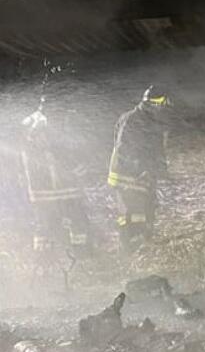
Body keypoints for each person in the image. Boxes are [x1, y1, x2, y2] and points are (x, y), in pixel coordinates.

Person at [19, 102, 91, 255]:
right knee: (73, 220)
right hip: (60, 189)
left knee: (46, 224)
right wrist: (78, 169)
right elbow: (60, 154)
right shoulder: (44, 127)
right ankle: (80, 254)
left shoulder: (33, 124)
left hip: (43, 190)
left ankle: (45, 258)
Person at [108, 85, 171, 251]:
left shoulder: (151, 121)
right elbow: (124, 149)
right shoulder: (132, 120)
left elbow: (155, 149)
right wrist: (139, 168)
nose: (163, 109)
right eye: (162, 105)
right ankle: (130, 250)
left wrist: (159, 170)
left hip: (144, 175)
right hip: (127, 176)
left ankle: (144, 243)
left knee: (147, 208)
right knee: (132, 214)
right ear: (154, 104)